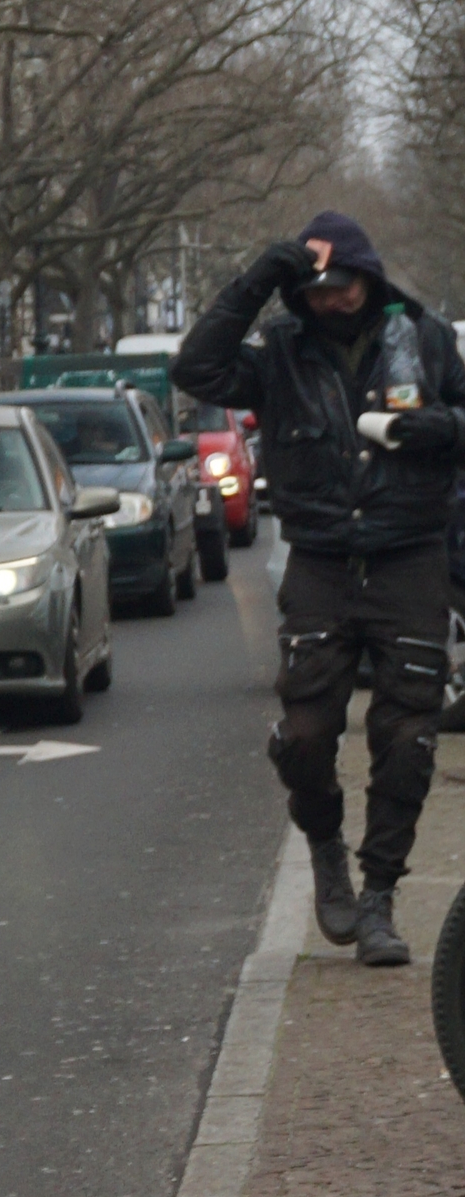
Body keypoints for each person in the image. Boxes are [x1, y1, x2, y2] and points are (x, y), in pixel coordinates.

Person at [174, 212, 465, 966]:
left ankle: (377, 900)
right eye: (316, 288)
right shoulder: (280, 353)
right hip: (323, 561)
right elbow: (195, 370)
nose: (331, 299)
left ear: (368, 276)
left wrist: (442, 428)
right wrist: (257, 282)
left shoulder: (425, 338)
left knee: (408, 741)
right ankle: (325, 842)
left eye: (343, 284)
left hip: (409, 558)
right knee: (306, 734)